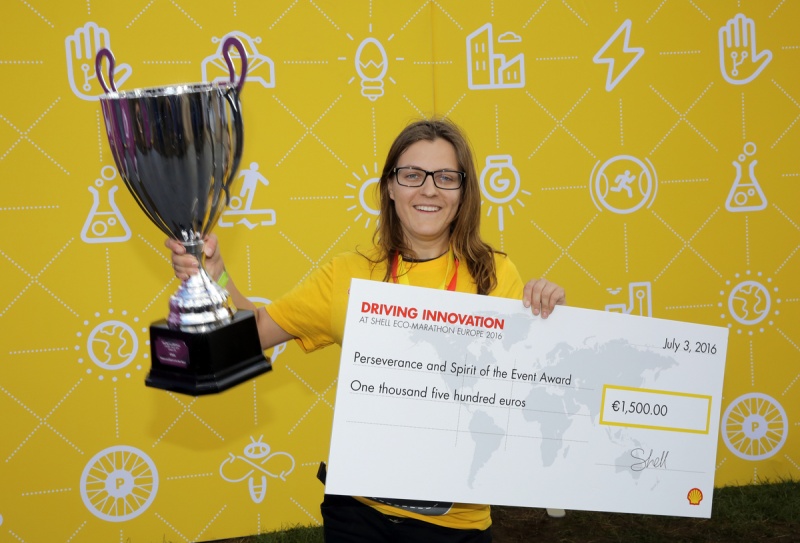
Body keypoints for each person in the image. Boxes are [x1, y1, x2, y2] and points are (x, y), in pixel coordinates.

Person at [168, 118, 566, 542]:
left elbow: (528, 386)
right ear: (390, 187)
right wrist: (216, 276)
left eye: (446, 177)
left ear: (463, 191)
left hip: (455, 522)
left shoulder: (495, 276)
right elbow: (256, 332)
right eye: (412, 175)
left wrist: (549, 319)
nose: (429, 189)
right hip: (358, 516)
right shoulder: (348, 275)